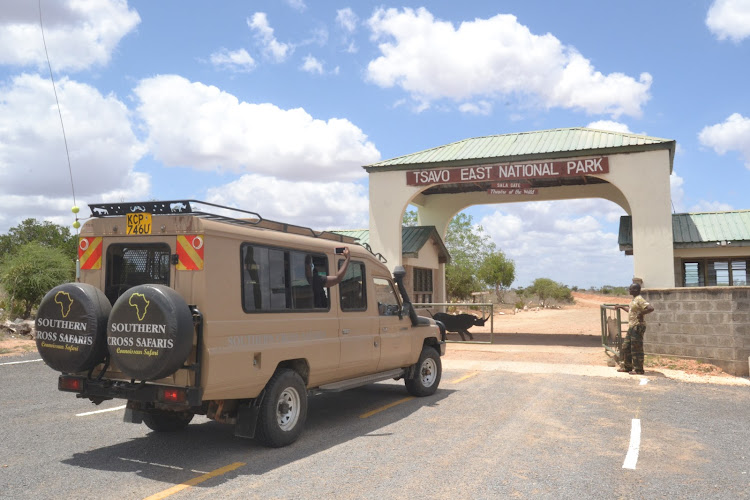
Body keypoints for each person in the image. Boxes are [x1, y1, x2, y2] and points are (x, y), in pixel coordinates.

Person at [616, 282, 654, 375]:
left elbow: (650, 308)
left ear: (636, 290)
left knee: (636, 349)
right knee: (626, 347)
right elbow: (630, 311)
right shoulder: (634, 300)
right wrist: (621, 307)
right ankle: (627, 367)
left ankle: (639, 370)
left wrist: (641, 314)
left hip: (638, 326)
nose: (629, 290)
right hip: (632, 326)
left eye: (631, 289)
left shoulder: (639, 299)